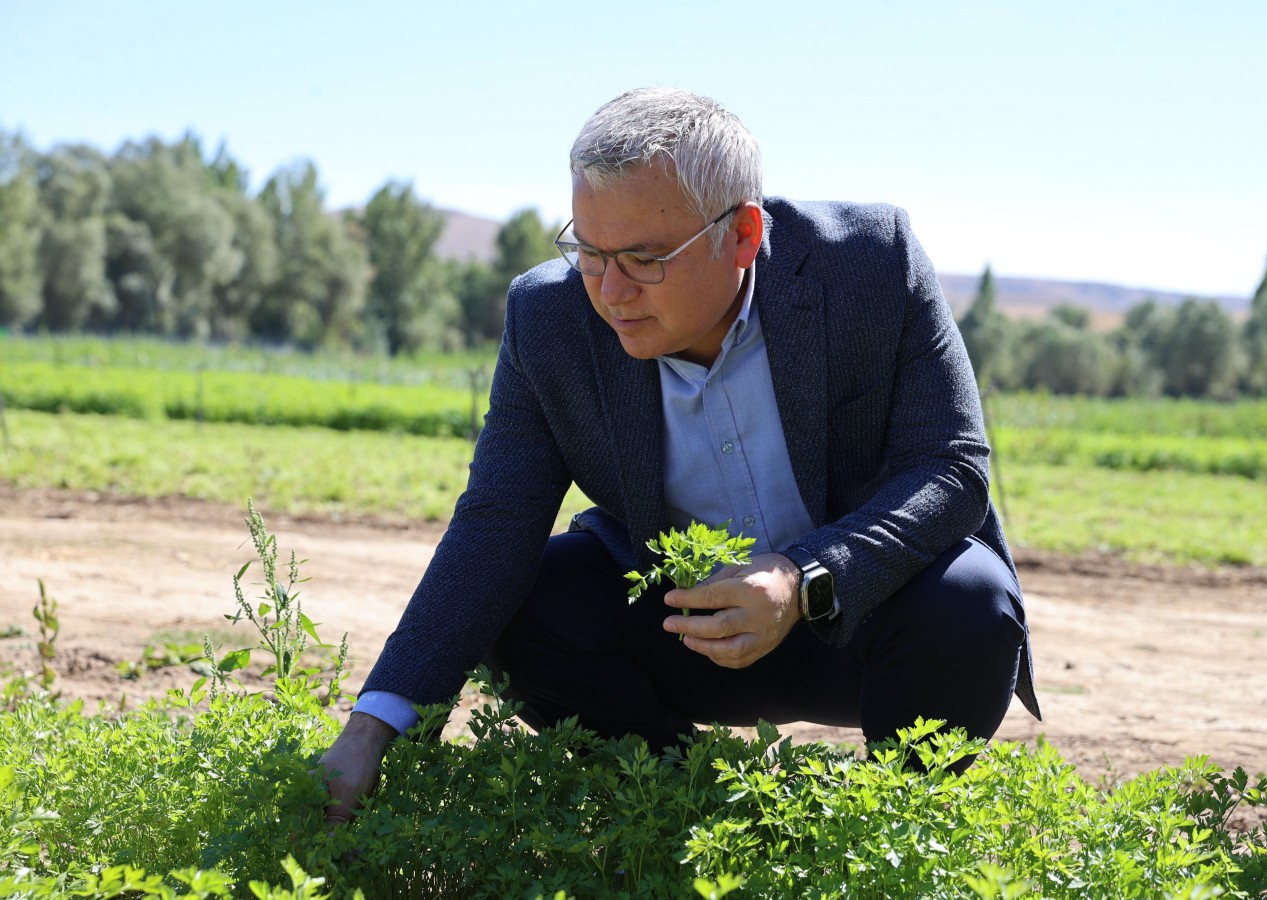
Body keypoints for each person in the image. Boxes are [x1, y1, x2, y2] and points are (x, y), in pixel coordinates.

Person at [319, 87, 1040, 824]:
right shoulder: (550, 317)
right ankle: (693, 818)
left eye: (644, 257)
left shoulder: (871, 264)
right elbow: (495, 523)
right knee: (527, 601)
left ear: (743, 235)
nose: (611, 291)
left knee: (971, 600)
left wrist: (804, 578)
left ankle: (890, 834)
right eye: (589, 253)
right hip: (679, 635)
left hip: (857, 626)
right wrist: (375, 727)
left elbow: (951, 468)